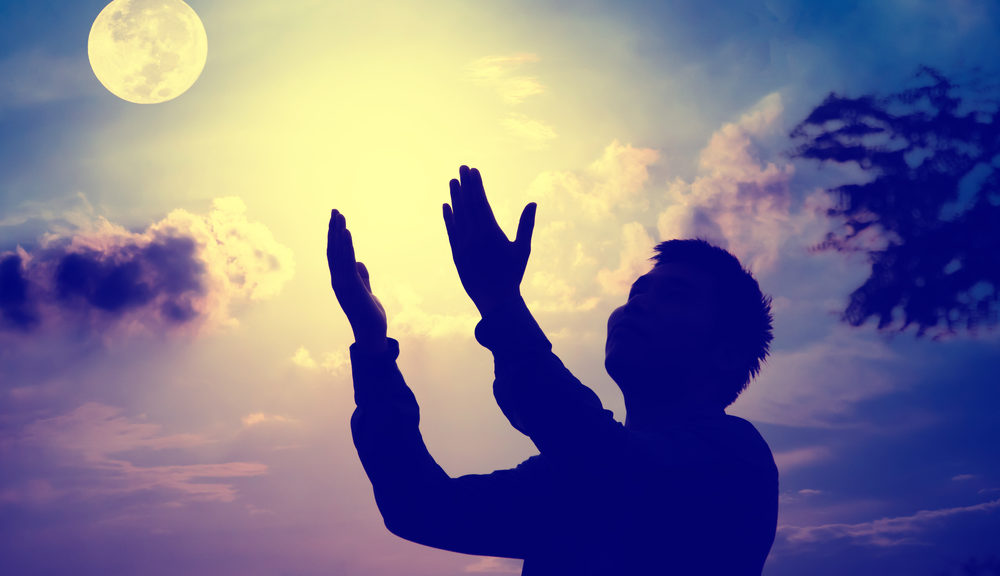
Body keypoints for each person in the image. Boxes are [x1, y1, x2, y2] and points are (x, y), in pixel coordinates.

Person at [328, 165, 778, 575]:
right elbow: (421, 507)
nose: (638, 302)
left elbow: (602, 457)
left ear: (726, 352)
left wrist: (501, 304)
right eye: (636, 290)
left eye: (674, 295)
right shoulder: (567, 475)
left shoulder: (735, 459)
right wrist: (371, 346)